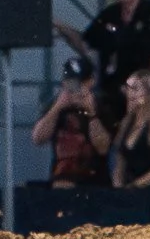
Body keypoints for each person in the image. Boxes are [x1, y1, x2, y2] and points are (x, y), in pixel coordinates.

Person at [30, 56, 108, 186]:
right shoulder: (55, 106)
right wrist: (57, 108)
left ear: (91, 81)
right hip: (61, 178)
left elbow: (103, 148)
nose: (75, 88)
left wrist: (91, 113)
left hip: (95, 181)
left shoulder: (102, 106)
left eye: (81, 82)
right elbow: (38, 139)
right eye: (71, 82)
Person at [109, 68, 150, 188]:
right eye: (128, 88)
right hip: (129, 189)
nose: (129, 93)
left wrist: (134, 186)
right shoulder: (128, 120)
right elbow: (120, 158)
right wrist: (118, 185)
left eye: (135, 89)